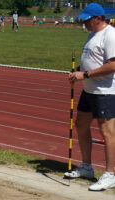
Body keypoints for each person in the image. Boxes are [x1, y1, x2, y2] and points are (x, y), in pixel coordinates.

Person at [65, 3, 115, 191]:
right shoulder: (92, 34)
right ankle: (87, 166)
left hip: (105, 91)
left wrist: (84, 75)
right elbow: (91, 60)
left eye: (87, 20)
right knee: (81, 124)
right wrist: (78, 71)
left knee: (107, 131)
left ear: (98, 19)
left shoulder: (110, 35)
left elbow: (112, 65)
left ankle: (110, 174)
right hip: (89, 89)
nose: (84, 23)